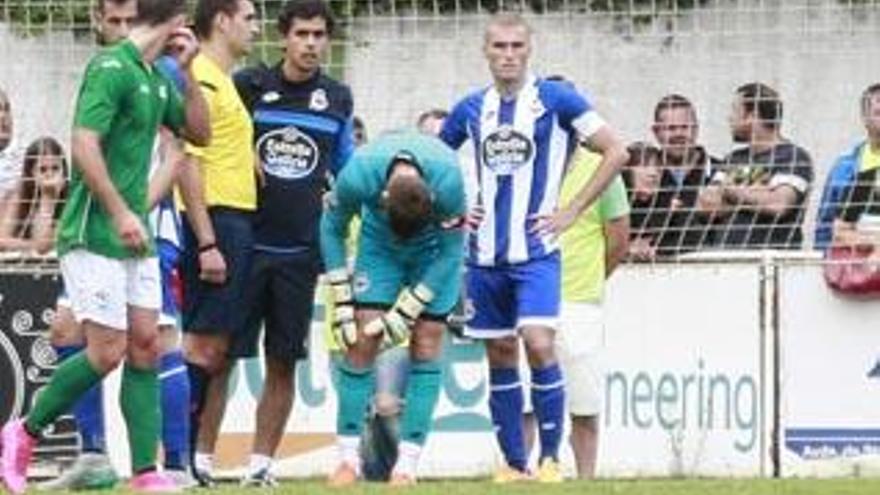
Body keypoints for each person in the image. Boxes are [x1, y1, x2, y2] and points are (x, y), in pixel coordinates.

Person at [0, 0, 209, 492]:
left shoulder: (157, 77)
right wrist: (119, 211)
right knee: (107, 351)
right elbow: (83, 143)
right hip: (93, 232)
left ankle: (144, 472)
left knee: (146, 346)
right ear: (177, 22)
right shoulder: (110, 67)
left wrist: (190, 70)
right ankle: (22, 432)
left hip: (132, 238)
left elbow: (199, 132)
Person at [439, 13, 628, 482]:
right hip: (483, 256)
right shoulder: (469, 108)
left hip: (538, 253)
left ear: (529, 50)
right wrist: (458, 211)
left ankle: (549, 459)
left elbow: (616, 150)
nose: (507, 54)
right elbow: (435, 162)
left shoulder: (556, 100)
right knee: (500, 351)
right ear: (485, 51)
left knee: (540, 343)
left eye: (516, 46)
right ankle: (512, 463)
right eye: (499, 46)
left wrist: (575, 209)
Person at [224, 0, 354, 485]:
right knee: (220, 356)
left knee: (282, 361)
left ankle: (259, 466)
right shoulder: (249, 87)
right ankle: (197, 459)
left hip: (301, 254)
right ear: (283, 37)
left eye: (319, 35)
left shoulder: (337, 98)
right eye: (302, 34)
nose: (311, 44)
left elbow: (347, 168)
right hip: (244, 245)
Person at [322, 130, 466, 486]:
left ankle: (407, 464)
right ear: (383, 199)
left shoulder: (449, 181)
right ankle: (347, 460)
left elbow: (452, 252)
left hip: (433, 250)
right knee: (359, 341)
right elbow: (330, 229)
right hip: (379, 245)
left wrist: (409, 309)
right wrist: (342, 299)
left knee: (427, 344)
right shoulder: (358, 174)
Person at [176, 0, 259, 486]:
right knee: (202, 347)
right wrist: (208, 241)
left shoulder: (220, 78)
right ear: (222, 21)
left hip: (231, 220)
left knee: (215, 348)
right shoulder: (203, 75)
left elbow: (219, 146)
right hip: (216, 222)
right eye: (249, 18)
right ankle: (178, 457)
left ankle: (184, 458)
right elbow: (188, 159)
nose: (255, 28)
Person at [523, 146, 629, 478]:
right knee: (525, 400)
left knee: (584, 403)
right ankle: (519, 471)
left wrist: (591, 278)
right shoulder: (527, 161)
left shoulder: (602, 169)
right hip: (529, 296)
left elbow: (618, 239)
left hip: (578, 300)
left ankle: (586, 478)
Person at [697, 82, 813, 250]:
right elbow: (706, 206)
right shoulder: (733, 159)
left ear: (752, 115)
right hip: (724, 262)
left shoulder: (793, 156)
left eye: (735, 111)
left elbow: (778, 204)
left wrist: (729, 191)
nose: (729, 118)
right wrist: (759, 193)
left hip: (768, 265)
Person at [650, 94, 718, 256]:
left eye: (685, 127)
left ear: (696, 129)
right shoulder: (638, 175)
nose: (679, 134)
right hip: (652, 272)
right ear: (656, 132)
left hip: (712, 269)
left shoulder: (720, 171)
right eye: (671, 128)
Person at [815, 84, 880, 251]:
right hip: (856, 266)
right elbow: (826, 223)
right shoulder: (845, 167)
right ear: (865, 118)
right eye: (879, 112)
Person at [0, 136, 67, 253]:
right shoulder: (20, 194)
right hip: (22, 267)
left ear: (64, 170)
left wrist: (50, 199)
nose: (49, 174)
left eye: (55, 168)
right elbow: (2, 240)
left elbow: (46, 247)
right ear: (31, 173)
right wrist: (46, 197)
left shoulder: (71, 196)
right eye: (42, 169)